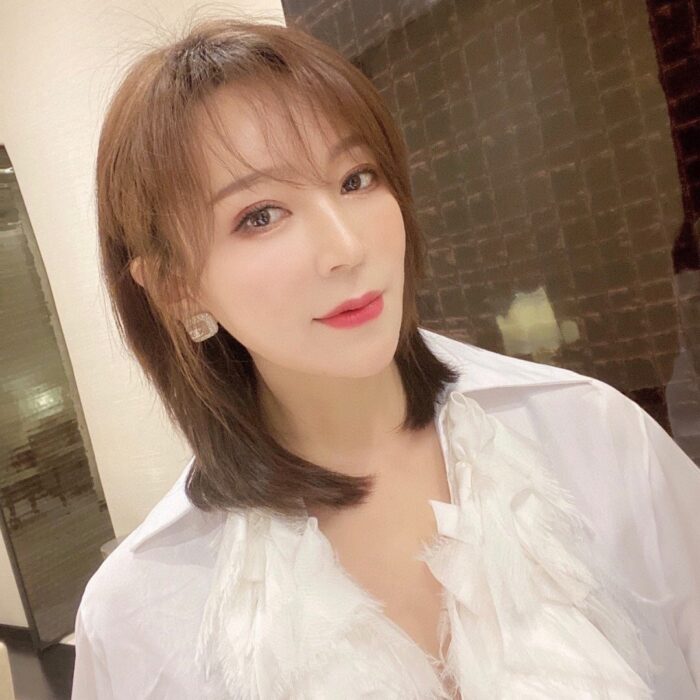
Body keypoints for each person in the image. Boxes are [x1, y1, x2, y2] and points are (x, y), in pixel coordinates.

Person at [71, 14, 700, 700]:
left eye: (356, 179)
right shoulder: (140, 615)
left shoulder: (592, 438)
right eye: (260, 215)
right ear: (175, 285)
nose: (346, 247)